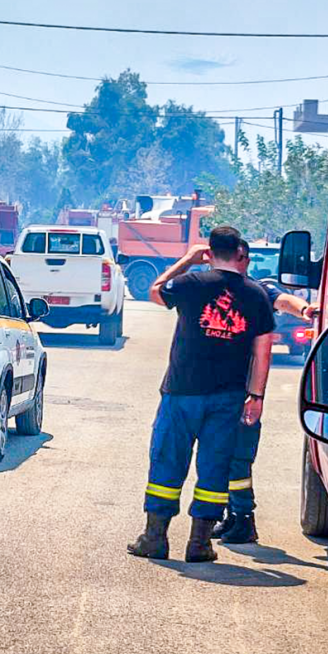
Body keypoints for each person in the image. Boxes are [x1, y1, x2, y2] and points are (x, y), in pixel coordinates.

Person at [127, 226, 276, 563]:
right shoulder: (256, 295)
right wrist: (256, 396)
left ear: (209, 252)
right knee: (215, 466)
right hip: (228, 397)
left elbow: (154, 291)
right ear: (240, 253)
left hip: (182, 391)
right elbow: (262, 351)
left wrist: (186, 260)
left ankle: (155, 538)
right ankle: (199, 544)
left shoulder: (190, 283)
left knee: (167, 460)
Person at [212, 260, 320, 544]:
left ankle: (244, 519)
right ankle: (232, 516)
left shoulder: (257, 291)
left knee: (238, 458)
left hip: (244, 391)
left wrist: (306, 310)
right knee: (221, 458)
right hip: (217, 390)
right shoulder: (211, 289)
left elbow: (283, 300)